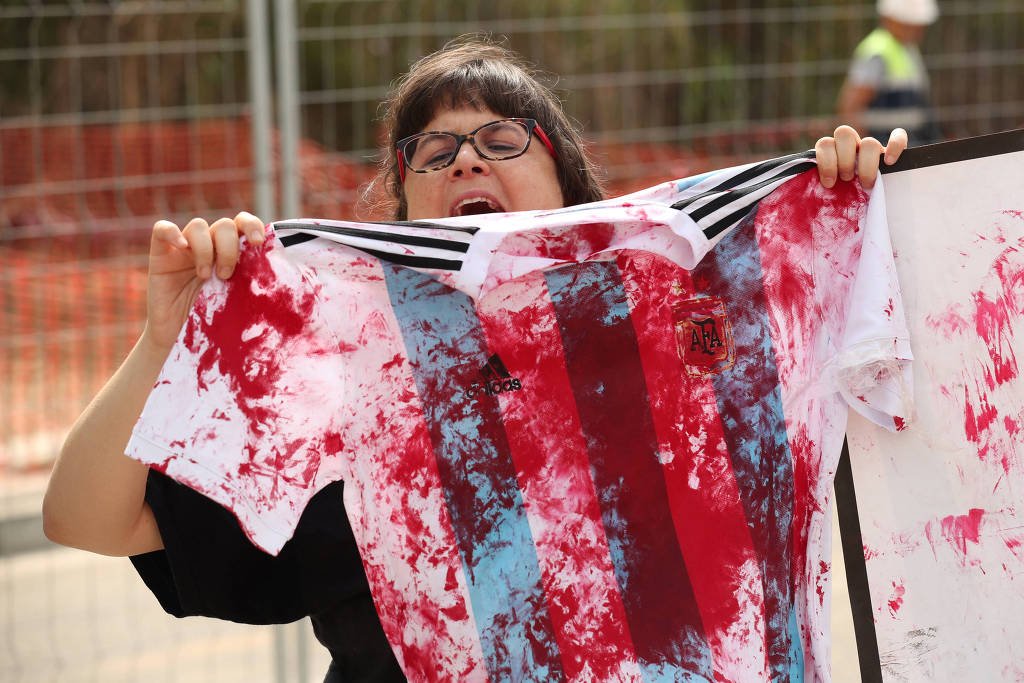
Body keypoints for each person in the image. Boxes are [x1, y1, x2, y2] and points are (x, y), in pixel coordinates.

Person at [43, 37, 907, 682]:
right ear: (403, 202)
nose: (463, 156)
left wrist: (867, 207)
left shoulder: (686, 334)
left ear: (569, 185)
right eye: (431, 149)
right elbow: (83, 518)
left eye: (502, 138)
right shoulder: (352, 373)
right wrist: (165, 339)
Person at [838, 0, 941, 145]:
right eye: (909, 23)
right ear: (889, 19)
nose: (916, 29)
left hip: (908, 146)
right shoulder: (877, 52)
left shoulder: (908, 49)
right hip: (883, 150)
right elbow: (851, 107)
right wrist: (861, 152)